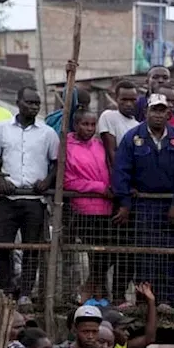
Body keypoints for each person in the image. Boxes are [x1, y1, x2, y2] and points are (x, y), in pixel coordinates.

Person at [112, 93, 174, 306]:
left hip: (169, 205)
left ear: (169, 113)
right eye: (154, 110)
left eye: (162, 110)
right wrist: (125, 203)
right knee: (144, 254)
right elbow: (121, 171)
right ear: (145, 112)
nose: (158, 115)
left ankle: (168, 300)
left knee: (170, 254)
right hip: (142, 206)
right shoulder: (132, 138)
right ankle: (144, 300)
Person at [0, 87, 57, 301]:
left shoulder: (48, 133)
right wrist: (1, 179)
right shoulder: (2, 129)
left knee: (31, 249)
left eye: (37, 103)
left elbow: (57, 163)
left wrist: (47, 181)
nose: (34, 106)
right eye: (29, 102)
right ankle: (7, 290)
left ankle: (26, 293)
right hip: (8, 198)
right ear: (18, 102)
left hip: (35, 201)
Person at [63, 110, 113, 303]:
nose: (90, 129)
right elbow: (68, 181)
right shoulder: (67, 146)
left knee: (106, 254)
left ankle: (93, 291)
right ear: (76, 124)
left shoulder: (99, 145)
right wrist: (100, 187)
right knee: (96, 253)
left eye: (93, 125)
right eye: (85, 124)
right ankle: (90, 293)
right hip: (84, 209)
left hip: (106, 208)